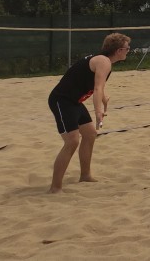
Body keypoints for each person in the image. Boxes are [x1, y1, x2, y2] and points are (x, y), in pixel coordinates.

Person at [47, 33, 131, 193]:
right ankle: (55, 187)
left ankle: (85, 175)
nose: (128, 50)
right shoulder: (103, 62)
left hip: (74, 101)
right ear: (119, 50)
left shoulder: (104, 61)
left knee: (90, 134)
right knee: (72, 141)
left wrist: (104, 99)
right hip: (62, 100)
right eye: (127, 48)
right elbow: (98, 87)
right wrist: (98, 111)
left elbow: (97, 86)